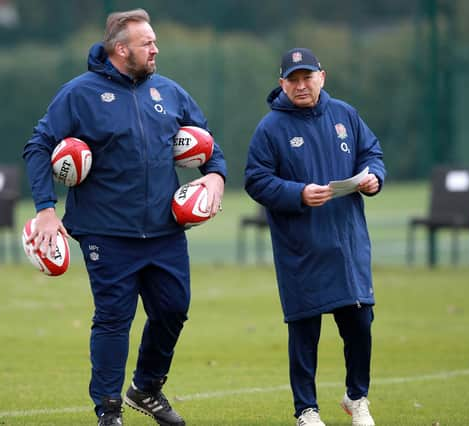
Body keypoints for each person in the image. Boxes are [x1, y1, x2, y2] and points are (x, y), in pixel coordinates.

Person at [22, 9, 226, 426]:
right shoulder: (79, 94)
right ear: (121, 49)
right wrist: (46, 209)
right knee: (114, 318)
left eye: (154, 41)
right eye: (147, 43)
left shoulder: (169, 92)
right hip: (105, 230)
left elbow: (208, 145)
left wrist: (216, 179)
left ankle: (146, 388)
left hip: (165, 229)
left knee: (173, 309)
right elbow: (38, 146)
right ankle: (108, 410)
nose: (155, 49)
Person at [244, 48, 386, 426]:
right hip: (301, 247)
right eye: (293, 79)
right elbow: (256, 181)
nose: (301, 85)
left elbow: (372, 153)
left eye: (308, 77)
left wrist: (373, 177)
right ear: (282, 84)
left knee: (360, 324)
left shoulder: (345, 115)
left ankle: (357, 398)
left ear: (322, 76)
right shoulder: (270, 128)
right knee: (304, 329)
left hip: (348, 243)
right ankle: (306, 410)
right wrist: (298, 194)